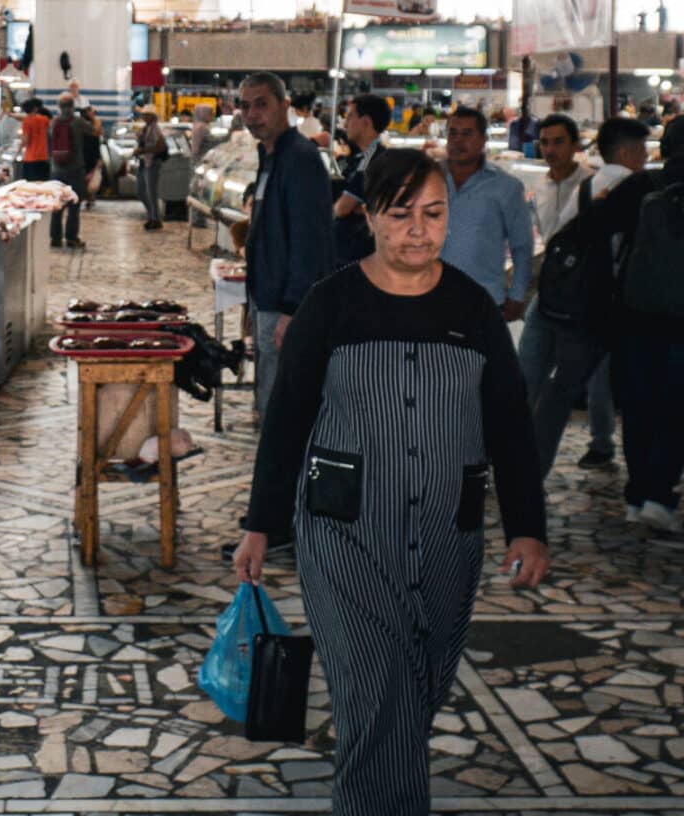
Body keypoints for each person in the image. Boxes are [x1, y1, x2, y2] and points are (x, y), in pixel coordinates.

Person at [234, 148, 549, 816]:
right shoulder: (332, 304)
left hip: (445, 537)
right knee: (378, 688)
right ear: (370, 216)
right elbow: (287, 419)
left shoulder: (473, 309)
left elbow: (511, 424)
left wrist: (528, 525)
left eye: (433, 214)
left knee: (413, 691)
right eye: (401, 214)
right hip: (345, 532)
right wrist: (262, 523)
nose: (418, 230)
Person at [585, 114, 684, 532]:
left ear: (666, 146)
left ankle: (637, 496)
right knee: (677, 413)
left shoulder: (640, 187)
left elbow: (596, 233)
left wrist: (610, 296)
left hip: (635, 319)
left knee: (638, 409)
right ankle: (660, 496)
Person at [515, 114, 619, 474]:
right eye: (545, 142)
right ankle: (522, 450)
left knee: (596, 377)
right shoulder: (539, 186)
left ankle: (602, 442)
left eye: (558, 141)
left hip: (588, 296)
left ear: (576, 145)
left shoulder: (592, 185)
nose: (550, 149)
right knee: (527, 372)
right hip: (550, 293)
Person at [240, 71, 336, 417]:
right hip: (267, 298)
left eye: (262, 105)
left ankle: (283, 469)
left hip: (286, 306)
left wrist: (292, 310)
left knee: (283, 405)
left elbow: (308, 242)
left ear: (285, 106)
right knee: (271, 392)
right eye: (246, 106)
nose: (252, 115)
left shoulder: (299, 159)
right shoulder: (272, 157)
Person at [438, 105, 534, 320]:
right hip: (430, 297)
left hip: (483, 301)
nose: (458, 140)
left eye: (467, 134)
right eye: (452, 133)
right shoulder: (428, 180)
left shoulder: (506, 187)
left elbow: (522, 247)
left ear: (483, 140)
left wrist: (517, 296)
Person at [331, 92, 392, 265]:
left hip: (360, 254)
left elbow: (343, 207)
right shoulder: (363, 157)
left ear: (365, 122)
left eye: (350, 117)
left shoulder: (373, 159)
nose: (345, 123)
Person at [45, 95, 88, 247]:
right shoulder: (78, 122)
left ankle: (55, 238)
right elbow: (95, 131)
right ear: (73, 106)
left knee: (57, 205)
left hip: (56, 170)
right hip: (75, 169)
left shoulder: (53, 123)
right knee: (74, 205)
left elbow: (48, 145)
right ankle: (71, 238)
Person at [134, 107, 167, 231]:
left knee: (151, 193)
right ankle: (152, 215)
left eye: (146, 115)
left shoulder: (154, 129)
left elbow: (160, 147)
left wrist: (143, 150)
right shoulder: (146, 128)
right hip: (145, 162)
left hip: (152, 163)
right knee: (141, 191)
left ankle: (155, 219)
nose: (144, 117)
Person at [19, 97, 51, 180]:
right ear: (35, 109)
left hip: (30, 158)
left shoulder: (26, 121)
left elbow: (25, 140)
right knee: (42, 183)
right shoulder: (44, 119)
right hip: (43, 157)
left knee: (30, 184)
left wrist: (18, 150)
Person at [79, 104, 103, 209]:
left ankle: (88, 197)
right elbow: (97, 137)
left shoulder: (90, 124)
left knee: (88, 177)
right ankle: (88, 198)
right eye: (92, 112)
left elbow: (97, 137)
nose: (94, 114)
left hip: (86, 155)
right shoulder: (88, 125)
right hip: (88, 155)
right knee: (88, 177)